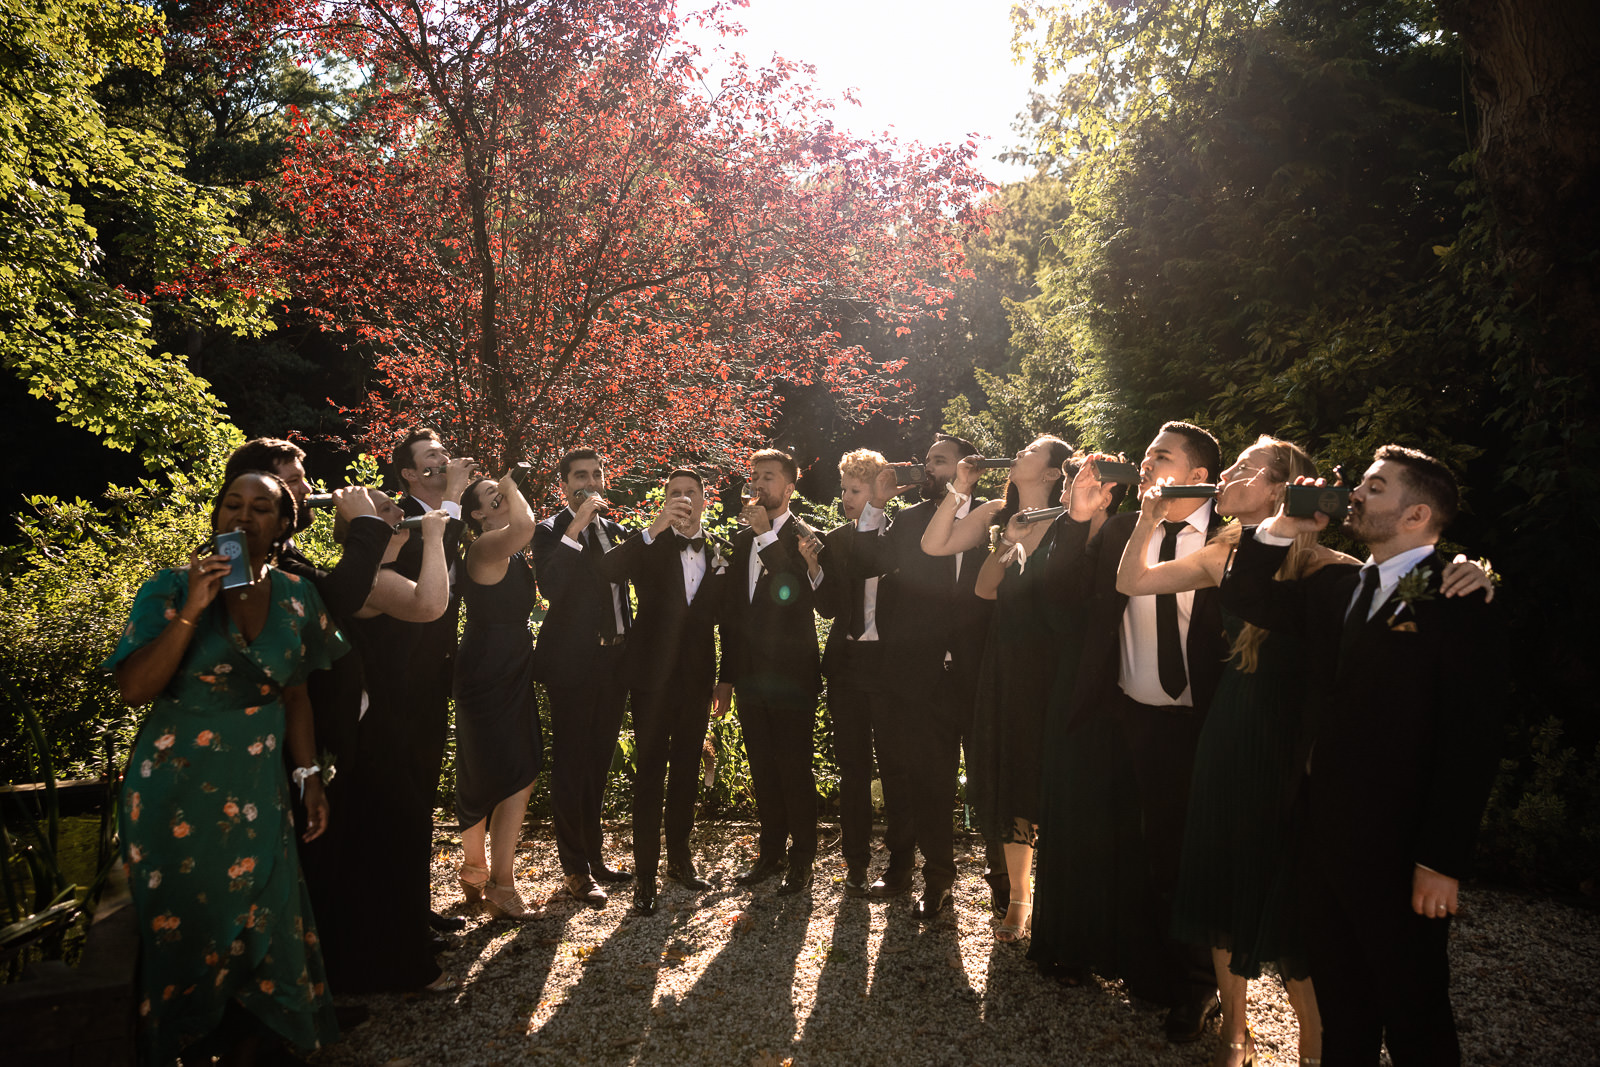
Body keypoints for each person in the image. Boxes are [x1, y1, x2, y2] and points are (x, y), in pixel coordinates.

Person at [1220, 445, 1506, 1066]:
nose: (1354, 494)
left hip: (1399, 849)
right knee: (1344, 1006)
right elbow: (1243, 596)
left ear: (1417, 515)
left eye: (1375, 488)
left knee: (1415, 1010)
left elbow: (1471, 741)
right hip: (1322, 834)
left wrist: (1439, 860)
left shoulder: (1459, 599)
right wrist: (1281, 527)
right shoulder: (1340, 587)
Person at [107, 472, 344, 1065]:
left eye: (261, 508)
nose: (243, 517)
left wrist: (309, 776)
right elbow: (135, 688)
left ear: (284, 524)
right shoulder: (167, 588)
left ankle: (257, 1040)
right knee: (184, 918)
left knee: (265, 903)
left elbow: (296, 696)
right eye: (231, 505)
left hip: (256, 787)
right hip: (173, 788)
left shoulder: (297, 595)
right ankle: (182, 1041)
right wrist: (193, 608)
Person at [1042, 422, 1229, 1040]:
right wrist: (1078, 516)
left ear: (1199, 477)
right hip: (1125, 714)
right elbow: (1065, 600)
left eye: (1162, 457)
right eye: (1146, 455)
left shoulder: (1232, 538)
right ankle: (1146, 969)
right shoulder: (1123, 529)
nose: (1146, 464)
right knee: (1137, 847)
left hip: (1200, 719)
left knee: (1186, 855)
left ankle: (1198, 988)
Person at [922, 435, 1074, 942]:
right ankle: (1017, 898)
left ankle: (1062, 900)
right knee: (1010, 780)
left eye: (1031, 452)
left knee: (1055, 780)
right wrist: (967, 493)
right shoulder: (998, 512)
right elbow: (964, 571)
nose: (1018, 454)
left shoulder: (1072, 518)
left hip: (1057, 666)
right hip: (1006, 662)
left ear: (1053, 473)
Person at [849, 434, 999, 920]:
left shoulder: (998, 517)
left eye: (939, 460)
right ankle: (937, 880)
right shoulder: (910, 520)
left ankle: (1003, 881)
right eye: (928, 459)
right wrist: (876, 504)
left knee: (990, 779)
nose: (927, 466)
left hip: (982, 672)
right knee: (930, 781)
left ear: (966, 468)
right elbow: (868, 563)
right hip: (920, 675)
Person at [319, 492, 455, 993]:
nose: (401, 511)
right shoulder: (374, 581)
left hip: (399, 716)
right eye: (387, 509)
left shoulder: (385, 570)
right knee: (399, 835)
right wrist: (438, 536)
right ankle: (402, 965)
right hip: (376, 726)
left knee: (401, 835)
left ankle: (403, 944)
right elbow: (434, 604)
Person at [596, 468, 728, 916]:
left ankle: (681, 862)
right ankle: (646, 877)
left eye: (692, 492)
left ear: (706, 500)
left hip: (696, 679)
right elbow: (608, 568)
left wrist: (724, 679)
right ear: (664, 499)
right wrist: (654, 527)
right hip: (651, 678)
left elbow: (729, 622)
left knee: (687, 769)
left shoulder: (719, 551)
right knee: (651, 773)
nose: (685, 499)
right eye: (676, 493)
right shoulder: (648, 545)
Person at [1027, 450, 1129, 977]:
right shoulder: (1066, 535)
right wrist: (1075, 524)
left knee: (1117, 818)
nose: (1069, 495)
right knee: (1070, 810)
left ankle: (1116, 946)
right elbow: (1054, 603)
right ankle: (1069, 943)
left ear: (1110, 491)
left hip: (1124, 683)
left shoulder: (1133, 533)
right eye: (1070, 486)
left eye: (1082, 486)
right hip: (1071, 682)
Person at [714, 448, 827, 896]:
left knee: (794, 768)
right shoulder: (740, 541)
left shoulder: (807, 537)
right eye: (755, 476)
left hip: (793, 676)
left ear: (789, 486)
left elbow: (795, 593)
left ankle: (803, 860)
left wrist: (765, 536)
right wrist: (726, 676)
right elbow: (732, 617)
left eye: (770, 477)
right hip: (750, 677)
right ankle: (770, 853)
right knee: (763, 767)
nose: (759, 484)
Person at [532, 448, 635, 907]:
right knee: (572, 766)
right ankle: (574, 869)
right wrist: (574, 529)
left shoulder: (614, 531)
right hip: (572, 665)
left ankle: (594, 857)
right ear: (564, 486)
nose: (590, 482)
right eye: (580, 476)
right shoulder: (549, 531)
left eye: (596, 474)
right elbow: (551, 587)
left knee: (598, 763)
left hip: (614, 663)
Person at [812, 449, 911, 898]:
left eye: (855, 490)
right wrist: (814, 567)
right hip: (847, 666)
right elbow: (830, 606)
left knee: (895, 768)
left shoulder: (907, 534)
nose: (845, 498)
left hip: (891, 666)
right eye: (844, 489)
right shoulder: (835, 539)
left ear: (880, 491)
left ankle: (899, 865)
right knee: (852, 768)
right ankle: (855, 861)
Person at [389, 427, 475, 936]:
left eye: (443, 453)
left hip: (433, 673)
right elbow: (436, 552)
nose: (441, 462)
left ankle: (413, 910)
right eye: (430, 458)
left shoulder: (443, 513)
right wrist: (453, 500)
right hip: (400, 675)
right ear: (407, 473)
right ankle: (401, 917)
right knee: (404, 795)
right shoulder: (399, 517)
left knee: (421, 794)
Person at [455, 468, 546, 920]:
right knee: (519, 767)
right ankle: (502, 884)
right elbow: (527, 526)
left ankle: (475, 868)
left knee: (484, 762)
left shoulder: (508, 549)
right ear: (476, 513)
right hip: (489, 666)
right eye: (492, 495)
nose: (504, 496)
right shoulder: (485, 545)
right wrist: (510, 484)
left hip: (506, 662)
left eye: (503, 491)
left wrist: (506, 490)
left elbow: (525, 527)